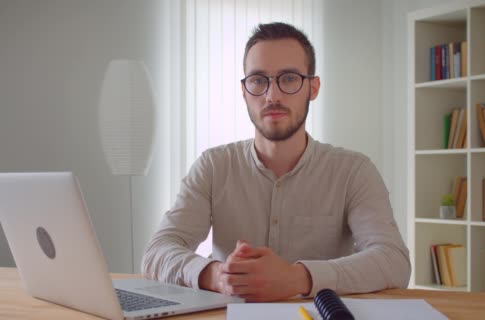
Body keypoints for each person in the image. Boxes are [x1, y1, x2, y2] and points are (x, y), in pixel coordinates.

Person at [142, 22, 410, 302]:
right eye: (258, 80)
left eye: (289, 78)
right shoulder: (213, 166)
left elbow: (393, 260)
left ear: (313, 87)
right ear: (244, 91)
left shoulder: (353, 171)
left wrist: (297, 278)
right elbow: (158, 251)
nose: (272, 95)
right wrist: (218, 276)